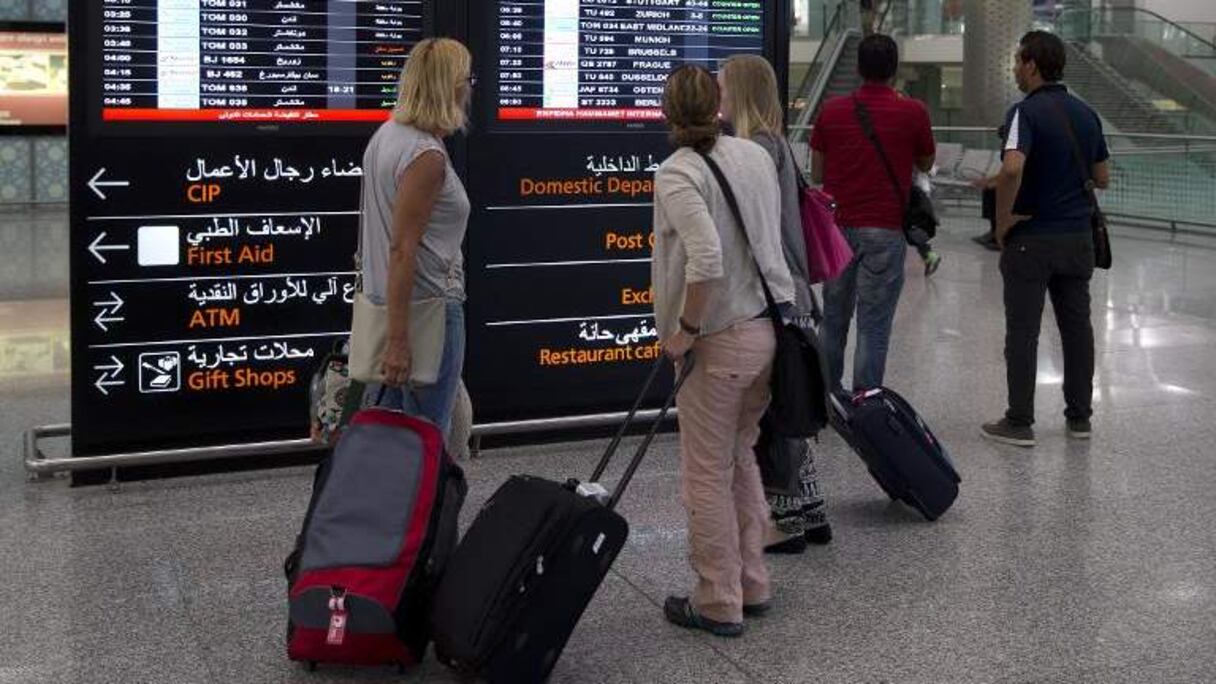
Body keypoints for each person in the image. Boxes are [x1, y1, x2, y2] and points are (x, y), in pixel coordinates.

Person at [653, 65, 796, 638]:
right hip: (766, 332)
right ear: (718, 105)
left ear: (666, 112)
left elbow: (705, 259)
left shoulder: (678, 172)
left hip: (717, 341)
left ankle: (717, 599)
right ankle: (753, 582)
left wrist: (683, 331)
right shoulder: (754, 156)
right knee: (740, 457)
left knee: (704, 474)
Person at [717, 54, 833, 553]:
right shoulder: (779, 143)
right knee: (790, 405)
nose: (716, 96)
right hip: (796, 289)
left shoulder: (752, 149)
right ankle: (810, 513)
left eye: (722, 87)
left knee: (771, 417)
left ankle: (782, 522)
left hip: (772, 295)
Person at [981, 30, 1110, 447]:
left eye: (1019, 61)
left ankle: (1019, 421)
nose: (1016, 69)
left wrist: (1001, 219)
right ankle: (1079, 418)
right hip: (1077, 239)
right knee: (1077, 329)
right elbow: (1102, 177)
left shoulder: (1025, 112)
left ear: (1032, 65)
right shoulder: (1087, 114)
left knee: (1023, 331)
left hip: (1033, 240)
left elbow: (1014, 167)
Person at [357, 38, 473, 434]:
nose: (470, 88)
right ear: (451, 86)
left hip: (389, 308)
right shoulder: (426, 156)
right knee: (422, 445)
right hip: (426, 313)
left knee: (385, 440)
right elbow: (402, 250)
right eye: (466, 79)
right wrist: (399, 340)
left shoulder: (386, 136)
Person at [810, 34, 936, 392]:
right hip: (885, 229)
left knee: (833, 319)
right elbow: (926, 161)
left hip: (838, 230)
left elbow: (818, 173)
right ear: (894, 70)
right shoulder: (913, 111)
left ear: (858, 68)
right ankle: (866, 403)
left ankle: (827, 398)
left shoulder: (831, 111)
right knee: (874, 323)